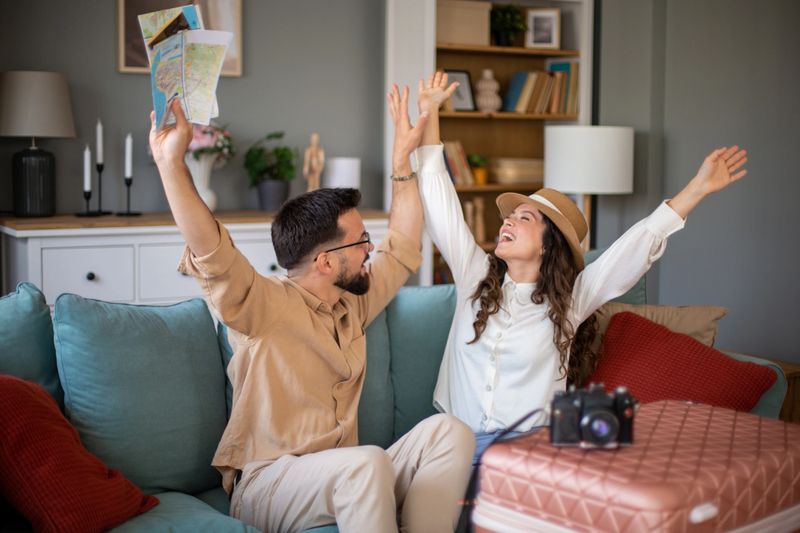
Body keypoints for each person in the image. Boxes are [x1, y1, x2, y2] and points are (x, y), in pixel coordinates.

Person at [148, 91, 474, 532]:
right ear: (324, 261)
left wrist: (402, 160)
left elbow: (402, 246)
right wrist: (171, 164)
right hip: (269, 484)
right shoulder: (263, 307)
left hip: (346, 473)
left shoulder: (349, 302)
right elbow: (213, 250)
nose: (370, 248)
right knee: (367, 463)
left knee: (450, 432)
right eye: (360, 241)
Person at [413, 72, 748, 460]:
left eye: (525, 218)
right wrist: (431, 112)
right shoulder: (474, 275)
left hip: (526, 456)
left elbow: (636, 247)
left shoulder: (571, 301)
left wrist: (697, 189)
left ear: (548, 245)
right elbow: (439, 199)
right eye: (510, 216)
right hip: (454, 445)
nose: (507, 222)